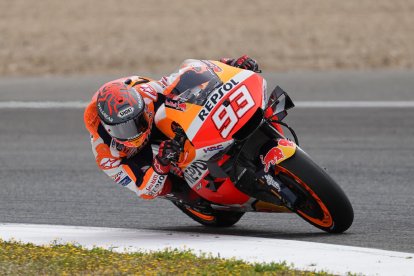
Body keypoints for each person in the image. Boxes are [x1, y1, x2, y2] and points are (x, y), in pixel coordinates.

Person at [84, 55, 260, 200]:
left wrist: (230, 64)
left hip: (157, 119)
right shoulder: (105, 154)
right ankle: (190, 196)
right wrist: (161, 164)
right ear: (109, 129)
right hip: (139, 156)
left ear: (142, 108)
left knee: (190, 99)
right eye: (124, 129)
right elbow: (144, 191)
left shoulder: (148, 94)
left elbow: (192, 74)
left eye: (138, 122)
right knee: (163, 187)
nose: (135, 132)